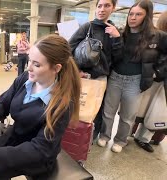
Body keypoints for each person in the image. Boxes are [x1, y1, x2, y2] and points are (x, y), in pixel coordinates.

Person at [0, 34, 81, 179]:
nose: (28, 67)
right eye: (30, 60)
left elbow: (40, 149)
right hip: (15, 137)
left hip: (36, 155)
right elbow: (3, 104)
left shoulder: (62, 104)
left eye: (37, 64)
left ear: (56, 68)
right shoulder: (25, 79)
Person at [98, 0, 167, 153]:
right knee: (108, 112)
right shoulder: (122, 32)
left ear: (147, 16)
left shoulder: (157, 36)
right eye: (131, 14)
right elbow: (116, 56)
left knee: (127, 115)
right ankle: (104, 135)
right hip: (115, 77)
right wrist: (117, 38)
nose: (133, 17)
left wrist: (157, 72)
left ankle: (121, 140)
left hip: (135, 81)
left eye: (138, 14)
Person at [69, 0, 122, 140]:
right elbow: (68, 49)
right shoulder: (88, 27)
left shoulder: (115, 30)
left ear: (113, 8)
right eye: (99, 6)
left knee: (97, 108)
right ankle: (71, 133)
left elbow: (117, 58)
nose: (102, 9)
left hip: (101, 77)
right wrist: (76, 70)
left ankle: (91, 136)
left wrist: (117, 38)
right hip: (82, 75)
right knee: (76, 105)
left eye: (107, 6)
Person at [133, 10, 167, 153]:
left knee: (155, 111)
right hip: (151, 77)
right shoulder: (157, 36)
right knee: (139, 109)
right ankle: (132, 134)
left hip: (160, 79)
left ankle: (144, 138)